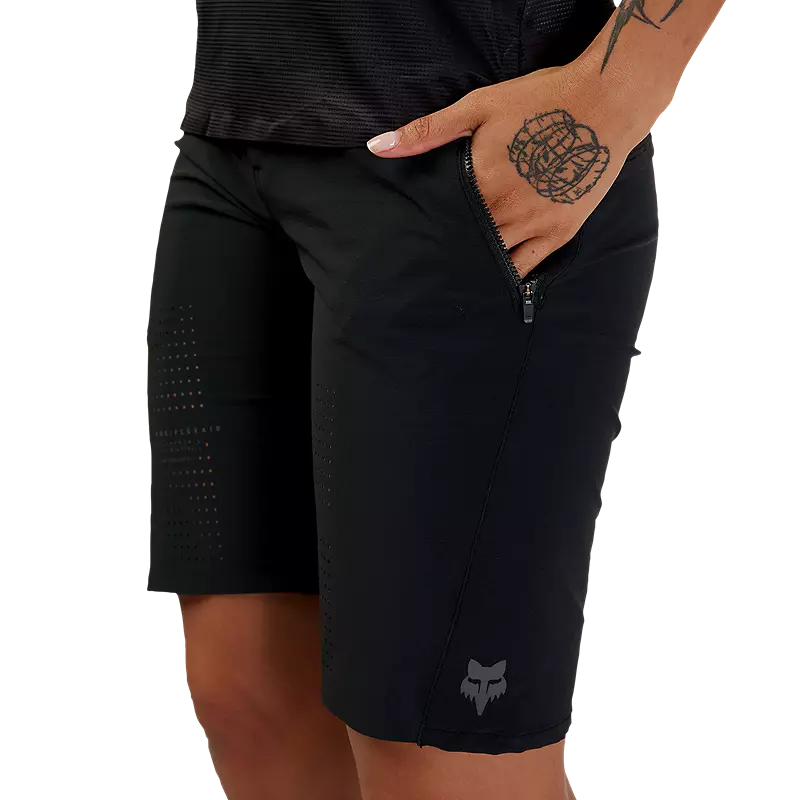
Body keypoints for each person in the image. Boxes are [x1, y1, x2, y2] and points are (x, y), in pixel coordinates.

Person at [146, 1, 725, 798]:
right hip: (236, 128)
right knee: (249, 693)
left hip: (471, 147)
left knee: (439, 747)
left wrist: (626, 84)